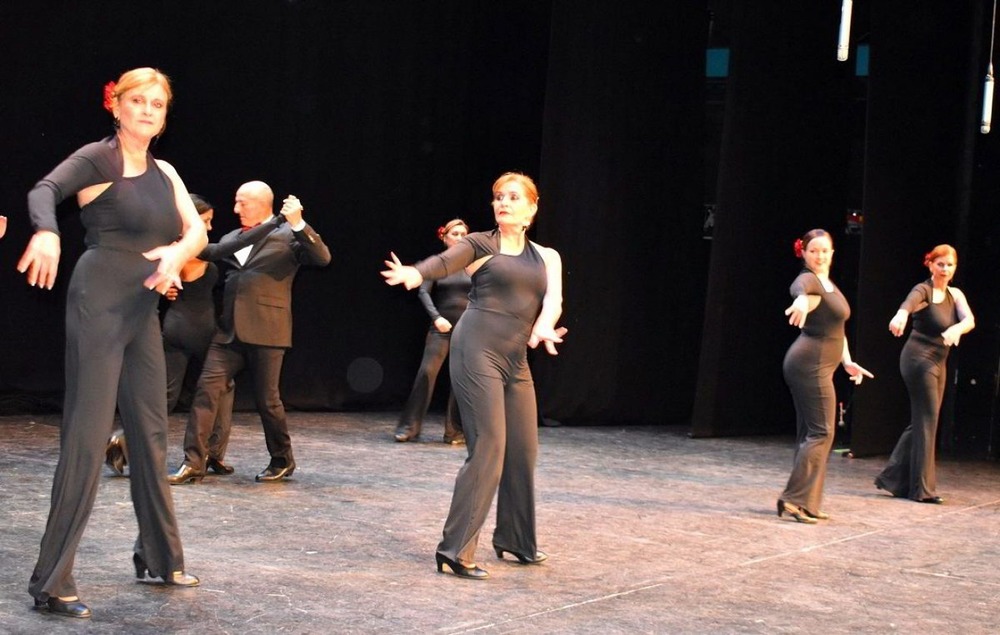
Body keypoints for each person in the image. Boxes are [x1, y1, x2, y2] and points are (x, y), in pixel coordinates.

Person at [17, 67, 204, 619]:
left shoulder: (165, 170)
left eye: (158, 104)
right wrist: (47, 231)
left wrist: (175, 254)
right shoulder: (99, 158)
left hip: (142, 308)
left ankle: (158, 556)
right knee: (87, 435)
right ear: (116, 106)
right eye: (137, 101)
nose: (147, 110)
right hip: (98, 300)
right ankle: (51, 581)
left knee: (150, 433)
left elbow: (195, 230)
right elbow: (45, 189)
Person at [382, 172, 567, 579]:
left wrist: (542, 327)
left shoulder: (547, 256)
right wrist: (417, 273)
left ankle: (516, 539)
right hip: (475, 348)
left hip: (516, 358)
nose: (503, 202)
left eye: (513, 197)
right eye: (498, 197)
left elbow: (551, 302)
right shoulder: (481, 244)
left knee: (523, 450)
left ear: (532, 208)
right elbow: (444, 262)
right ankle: (455, 548)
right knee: (489, 448)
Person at [167, 180, 331, 485]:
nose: (235, 209)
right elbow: (207, 255)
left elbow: (322, 258)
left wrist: (299, 224)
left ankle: (282, 459)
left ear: (262, 204)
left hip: (268, 329)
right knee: (205, 391)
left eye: (242, 202)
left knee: (268, 401)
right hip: (228, 332)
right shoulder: (232, 237)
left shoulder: (288, 235)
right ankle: (193, 461)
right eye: (236, 202)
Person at [105, 193, 264, 477]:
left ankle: (124, 439)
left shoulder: (166, 249)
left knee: (164, 396)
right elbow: (233, 246)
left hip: (173, 327)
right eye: (205, 221)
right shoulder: (193, 250)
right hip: (202, 330)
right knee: (223, 389)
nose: (210, 228)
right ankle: (212, 454)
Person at [777, 229, 873, 524]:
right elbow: (800, 290)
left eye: (825, 250)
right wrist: (802, 302)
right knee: (822, 432)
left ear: (832, 253)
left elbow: (837, 329)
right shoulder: (808, 280)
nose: (819, 256)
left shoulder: (828, 283)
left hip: (820, 363)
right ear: (803, 254)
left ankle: (808, 501)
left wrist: (847, 362)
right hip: (809, 365)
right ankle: (793, 500)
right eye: (813, 251)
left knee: (811, 433)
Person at [875, 244, 975, 504]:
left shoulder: (956, 294)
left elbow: (969, 320)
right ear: (930, 264)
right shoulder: (924, 290)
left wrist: (958, 329)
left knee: (923, 419)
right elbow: (908, 304)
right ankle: (922, 489)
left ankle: (892, 478)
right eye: (940, 264)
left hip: (939, 361)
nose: (945, 269)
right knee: (928, 419)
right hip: (918, 359)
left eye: (950, 265)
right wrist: (900, 315)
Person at [394, 218, 471, 444]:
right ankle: (409, 427)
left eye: (464, 234)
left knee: (461, 379)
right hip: (442, 327)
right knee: (426, 373)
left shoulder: (474, 265)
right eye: (455, 234)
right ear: (444, 237)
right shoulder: (437, 264)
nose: (460, 238)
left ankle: (454, 431)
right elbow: (423, 292)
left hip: (468, 329)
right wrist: (437, 318)